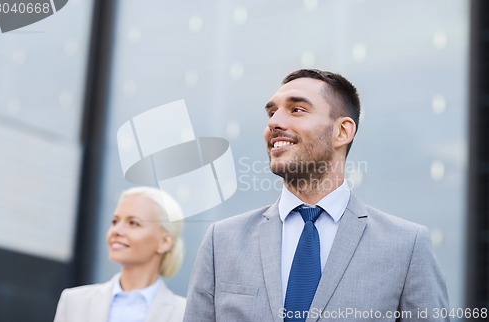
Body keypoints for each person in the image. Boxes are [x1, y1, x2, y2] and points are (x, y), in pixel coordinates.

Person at [183, 69, 449, 322]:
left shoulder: (406, 247)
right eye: (272, 112)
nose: (274, 122)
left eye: (297, 109)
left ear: (342, 131)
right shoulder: (223, 242)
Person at [54, 186, 186, 322]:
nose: (116, 230)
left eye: (133, 223)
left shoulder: (186, 314)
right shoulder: (75, 302)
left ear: (164, 242)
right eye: (115, 221)